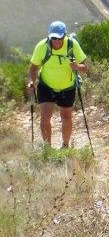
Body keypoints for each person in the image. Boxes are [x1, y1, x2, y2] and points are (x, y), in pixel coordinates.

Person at [27, 20, 88, 149]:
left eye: (59, 37)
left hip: (67, 86)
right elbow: (33, 67)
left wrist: (76, 66)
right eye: (53, 38)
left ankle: (65, 146)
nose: (56, 41)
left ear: (64, 35)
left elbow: (85, 67)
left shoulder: (72, 45)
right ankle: (47, 149)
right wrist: (31, 82)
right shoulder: (42, 47)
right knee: (45, 116)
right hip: (46, 85)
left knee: (66, 117)